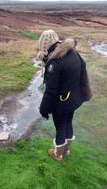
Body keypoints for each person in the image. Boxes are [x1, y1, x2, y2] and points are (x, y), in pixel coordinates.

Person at [37, 30, 92, 161]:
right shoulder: (72, 52)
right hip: (73, 99)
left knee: (60, 125)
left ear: (45, 46)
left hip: (61, 102)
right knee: (68, 122)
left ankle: (58, 154)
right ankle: (66, 150)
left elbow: (51, 91)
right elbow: (82, 67)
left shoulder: (54, 63)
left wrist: (43, 110)